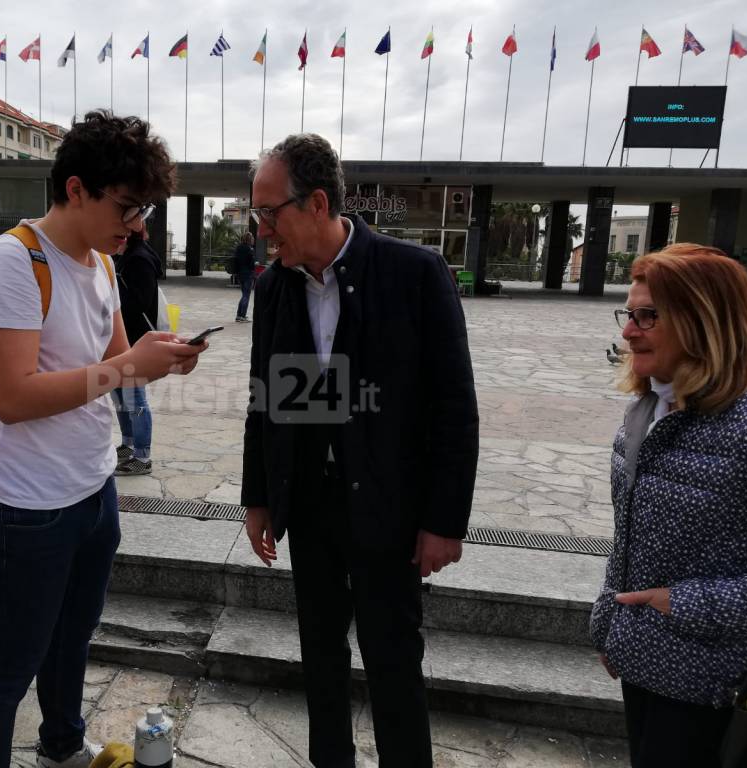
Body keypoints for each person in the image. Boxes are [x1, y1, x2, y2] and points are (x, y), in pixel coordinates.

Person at [0, 110, 206, 768]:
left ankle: (60, 745)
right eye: (126, 207)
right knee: (9, 665)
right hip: (27, 503)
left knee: (72, 638)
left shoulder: (100, 261)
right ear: (75, 189)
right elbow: (12, 399)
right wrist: (127, 368)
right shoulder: (11, 263)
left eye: (143, 210)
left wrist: (160, 353)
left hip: (92, 486)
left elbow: (113, 355)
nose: (137, 225)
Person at [242, 133, 479, 768]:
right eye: (256, 215)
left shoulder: (413, 275)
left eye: (270, 213)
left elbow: (454, 406)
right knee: (320, 658)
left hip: (389, 511)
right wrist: (260, 498)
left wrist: (443, 521)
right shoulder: (277, 288)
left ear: (316, 203)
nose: (262, 229)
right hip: (313, 510)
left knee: (393, 661)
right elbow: (266, 401)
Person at [590, 243, 747, 768]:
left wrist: (679, 604)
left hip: (716, 688)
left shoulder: (744, 425)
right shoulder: (649, 407)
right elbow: (629, 536)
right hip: (643, 666)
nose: (629, 331)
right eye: (629, 314)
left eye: (649, 316)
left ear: (704, 322)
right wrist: (609, 623)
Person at [112, 223, 160, 476]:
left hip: (134, 341)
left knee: (135, 399)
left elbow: (140, 302)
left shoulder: (139, 259)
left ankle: (142, 456)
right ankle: (128, 443)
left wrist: (112, 294)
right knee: (119, 396)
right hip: (121, 341)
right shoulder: (125, 257)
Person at [233, 231, 256, 322]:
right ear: (250, 240)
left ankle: (239, 315)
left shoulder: (238, 248)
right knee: (246, 295)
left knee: (243, 295)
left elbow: (236, 261)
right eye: (252, 238)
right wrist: (255, 264)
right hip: (248, 274)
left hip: (240, 274)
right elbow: (251, 264)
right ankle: (242, 316)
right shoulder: (249, 249)